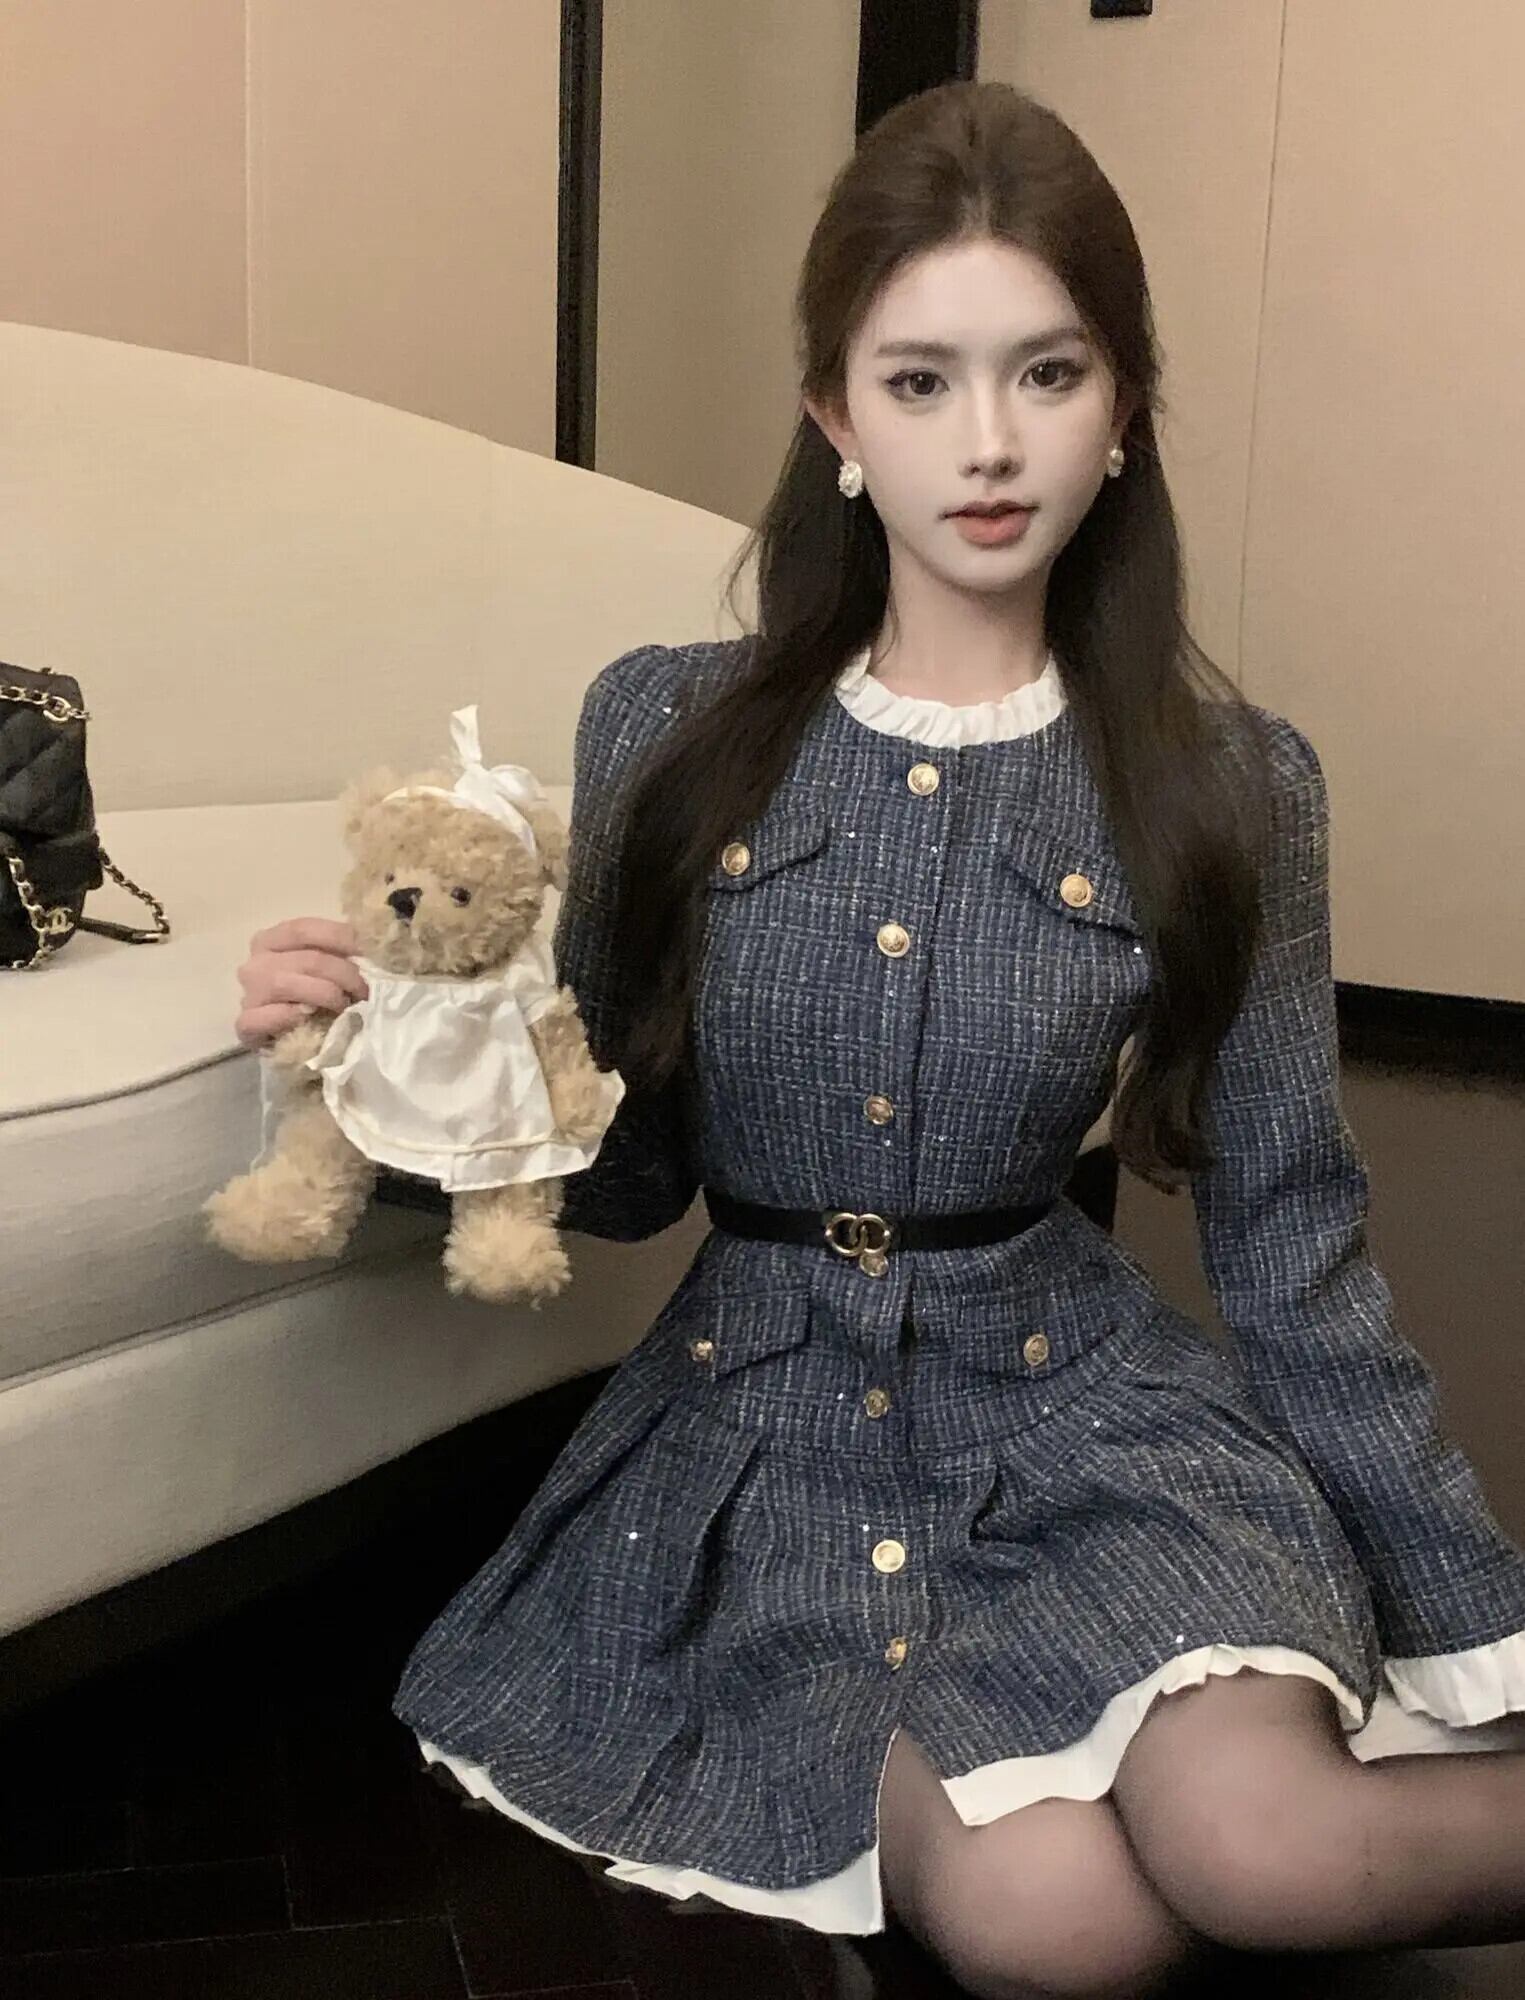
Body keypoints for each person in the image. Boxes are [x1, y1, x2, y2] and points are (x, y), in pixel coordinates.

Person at [234, 80, 1525, 2000]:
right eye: (918, 382)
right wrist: (385, 1061)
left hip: (1085, 1424)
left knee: (1259, 1845)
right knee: (1051, 1929)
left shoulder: (1231, 783)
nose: (987, 443)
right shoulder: (667, 726)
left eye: (1047, 373)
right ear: (835, 418)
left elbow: (1287, 1237)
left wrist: (1469, 1621)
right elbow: (625, 1176)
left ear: (1123, 408)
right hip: (759, 1449)